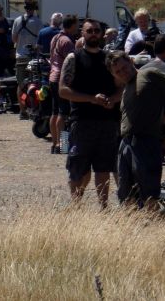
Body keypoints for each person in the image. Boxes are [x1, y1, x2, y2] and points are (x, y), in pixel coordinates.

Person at [59, 19, 121, 207]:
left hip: (108, 122)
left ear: (102, 34)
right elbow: (62, 90)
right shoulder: (74, 58)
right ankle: (76, 205)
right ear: (82, 34)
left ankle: (104, 206)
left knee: (104, 168)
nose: (93, 33)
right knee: (78, 167)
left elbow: (123, 86)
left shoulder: (110, 59)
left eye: (96, 31)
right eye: (89, 31)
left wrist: (113, 100)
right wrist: (91, 98)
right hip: (81, 122)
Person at [116, 49, 165, 207]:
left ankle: (156, 227)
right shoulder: (126, 88)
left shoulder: (149, 73)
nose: (122, 72)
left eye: (124, 67)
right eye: (118, 71)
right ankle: (132, 228)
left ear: (131, 62)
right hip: (126, 142)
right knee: (126, 193)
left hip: (146, 140)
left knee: (149, 193)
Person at [46, 14, 79, 155]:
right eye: (76, 25)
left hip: (52, 76)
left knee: (54, 112)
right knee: (63, 113)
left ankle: (55, 143)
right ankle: (63, 145)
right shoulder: (67, 41)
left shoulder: (55, 38)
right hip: (61, 79)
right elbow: (72, 62)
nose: (78, 28)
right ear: (71, 25)